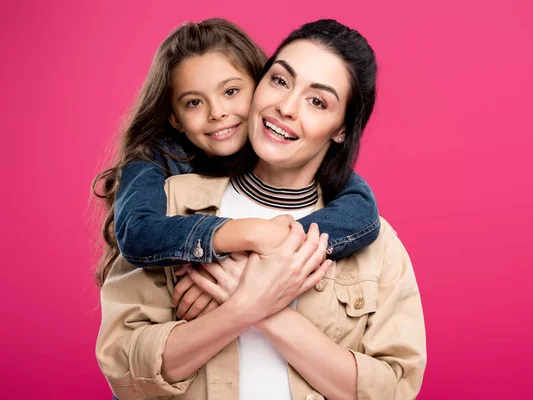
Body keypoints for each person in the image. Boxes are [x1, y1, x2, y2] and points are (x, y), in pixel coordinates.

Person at [96, 19, 426, 400]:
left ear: (341, 129)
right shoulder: (170, 205)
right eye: (281, 81)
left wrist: (262, 304)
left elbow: (393, 391)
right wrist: (241, 310)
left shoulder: (377, 243)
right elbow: (123, 373)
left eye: (317, 101)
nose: (286, 107)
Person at [92, 18, 381, 296]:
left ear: (256, 84)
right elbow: (137, 233)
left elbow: (362, 211)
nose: (216, 112)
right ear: (175, 118)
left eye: (231, 91)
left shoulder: (297, 157)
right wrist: (250, 233)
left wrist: (254, 263)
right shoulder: (158, 158)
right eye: (194, 102)